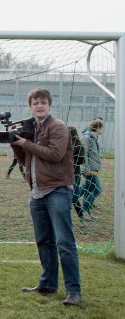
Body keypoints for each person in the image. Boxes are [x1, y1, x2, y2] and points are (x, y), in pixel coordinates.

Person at [12, 88, 82, 306]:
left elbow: (55, 155)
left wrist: (27, 143)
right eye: (35, 102)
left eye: (43, 102)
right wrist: (16, 142)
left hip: (58, 189)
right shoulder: (31, 128)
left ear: (49, 105)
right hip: (37, 192)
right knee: (44, 240)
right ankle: (48, 283)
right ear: (30, 106)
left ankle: (74, 291)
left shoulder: (58, 127)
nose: (39, 106)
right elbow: (27, 160)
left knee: (64, 242)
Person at [79, 118, 103, 221]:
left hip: (94, 169)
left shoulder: (93, 138)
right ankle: (84, 210)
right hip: (89, 170)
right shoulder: (87, 137)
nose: (102, 130)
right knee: (97, 189)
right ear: (98, 128)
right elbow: (84, 154)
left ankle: (86, 212)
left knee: (89, 189)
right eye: (102, 128)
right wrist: (86, 169)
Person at [68, 126, 86, 226]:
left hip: (75, 174)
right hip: (63, 175)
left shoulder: (79, 146)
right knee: (64, 197)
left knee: (74, 198)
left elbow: (82, 160)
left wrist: (71, 161)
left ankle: (81, 217)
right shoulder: (63, 144)